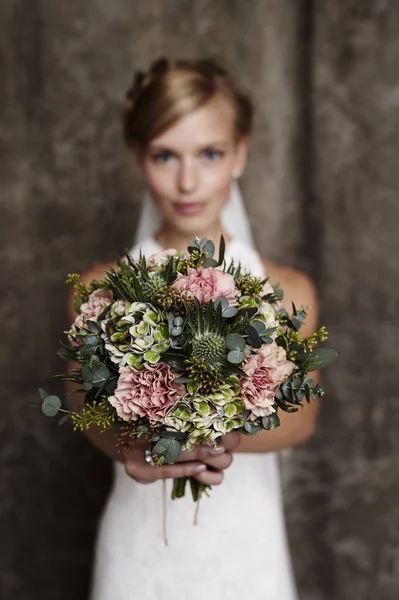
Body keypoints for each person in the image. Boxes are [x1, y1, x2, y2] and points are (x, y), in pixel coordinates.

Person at [68, 58, 320, 600]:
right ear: (139, 158)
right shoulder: (99, 290)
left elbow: (302, 421)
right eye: (165, 155)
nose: (188, 181)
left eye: (210, 154)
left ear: (241, 153)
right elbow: (81, 409)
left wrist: (214, 430)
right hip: (141, 542)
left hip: (245, 539)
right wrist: (131, 445)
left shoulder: (287, 290)